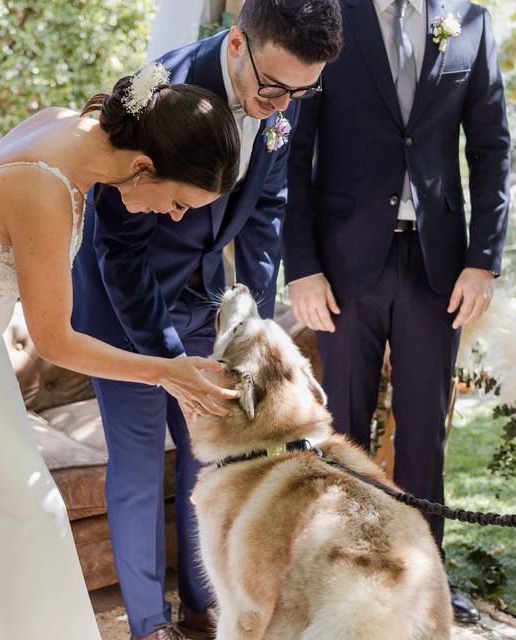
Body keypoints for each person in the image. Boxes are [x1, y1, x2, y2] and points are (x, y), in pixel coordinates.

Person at [0, 68, 241, 640]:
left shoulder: (68, 127)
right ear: (144, 167)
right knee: (34, 514)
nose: (174, 217)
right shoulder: (45, 187)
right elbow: (55, 341)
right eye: (179, 203)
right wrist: (166, 372)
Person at [71, 2, 344, 638]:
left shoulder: (283, 88)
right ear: (237, 44)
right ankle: (147, 624)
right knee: (139, 462)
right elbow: (118, 250)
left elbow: (270, 200)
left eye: (302, 91)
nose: (283, 105)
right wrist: (169, 363)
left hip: (204, 299)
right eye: (273, 88)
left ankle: (205, 600)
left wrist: (249, 308)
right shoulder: (160, 97)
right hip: (123, 310)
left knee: (215, 457)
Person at [283, 0, 511, 624]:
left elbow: (491, 147)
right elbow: (295, 152)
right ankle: (344, 580)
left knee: (423, 436)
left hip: (438, 268)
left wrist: (482, 260)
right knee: (345, 432)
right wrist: (300, 265)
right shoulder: (328, 18)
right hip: (345, 268)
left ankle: (427, 586)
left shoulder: (469, 21)